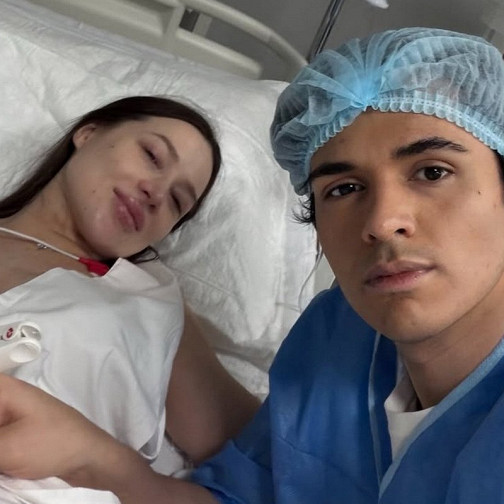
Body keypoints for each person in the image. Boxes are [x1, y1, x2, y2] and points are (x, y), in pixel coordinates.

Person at [0, 26, 504, 503]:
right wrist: (93, 458)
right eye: (344, 188)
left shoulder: (148, 299)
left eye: (432, 172)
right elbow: (248, 491)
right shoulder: (335, 340)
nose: (383, 221)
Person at [0, 95, 259, 502]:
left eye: (177, 202)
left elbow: (279, 457)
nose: (156, 193)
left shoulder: (146, 302)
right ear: (88, 133)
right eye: (152, 156)